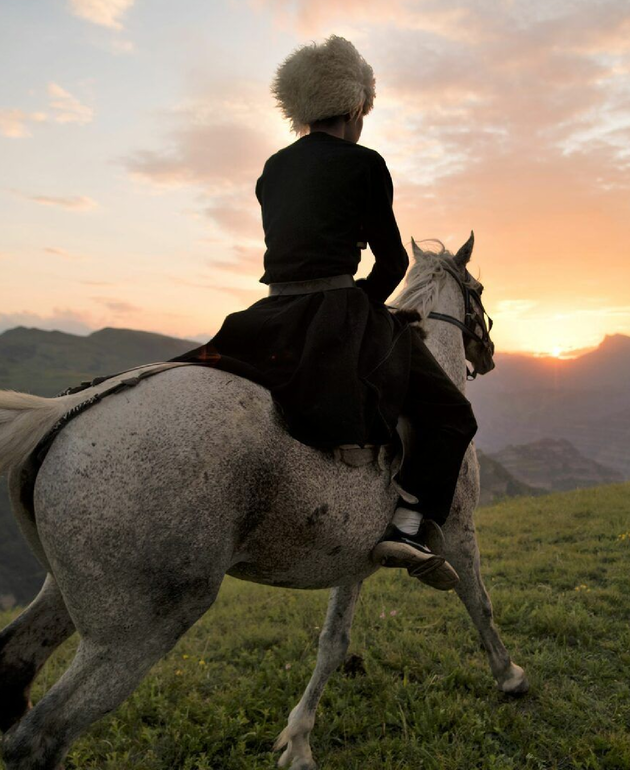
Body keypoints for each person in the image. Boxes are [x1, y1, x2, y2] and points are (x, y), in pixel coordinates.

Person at [170, 35, 477, 590]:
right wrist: (362, 306)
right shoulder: (366, 164)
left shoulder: (273, 168)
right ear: (357, 107)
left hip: (269, 312)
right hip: (338, 308)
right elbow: (390, 260)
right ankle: (407, 526)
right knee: (453, 414)